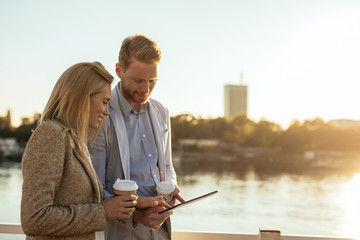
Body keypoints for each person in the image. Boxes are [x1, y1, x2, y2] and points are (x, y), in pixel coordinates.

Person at [20, 62, 162, 240]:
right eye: (104, 102)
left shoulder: (76, 141)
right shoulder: (50, 135)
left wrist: (136, 203)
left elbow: (83, 200)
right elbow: (34, 218)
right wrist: (102, 212)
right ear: (82, 98)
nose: (106, 111)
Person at [89, 34, 185, 240]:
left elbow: (167, 166)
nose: (145, 89)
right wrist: (137, 213)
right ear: (119, 71)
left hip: (159, 228)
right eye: (139, 80)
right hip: (119, 232)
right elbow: (94, 186)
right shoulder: (101, 113)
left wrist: (171, 186)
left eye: (153, 80)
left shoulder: (162, 111)